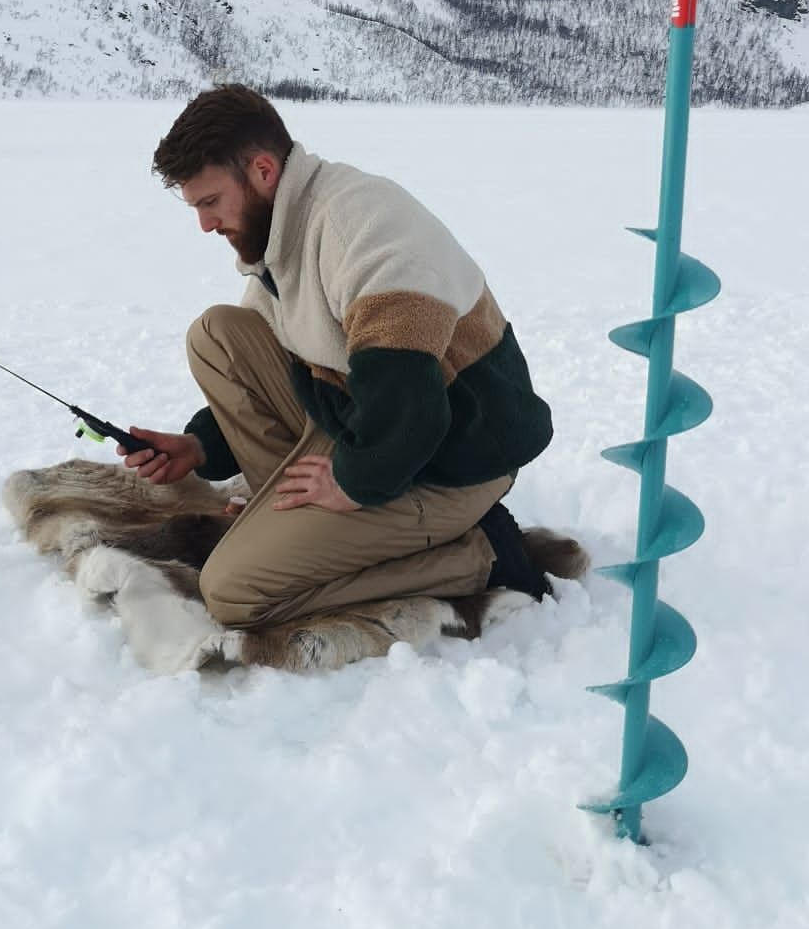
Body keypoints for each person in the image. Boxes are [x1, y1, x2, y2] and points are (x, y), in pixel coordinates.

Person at [118, 84, 554, 631]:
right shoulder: (283, 229)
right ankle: (293, 518)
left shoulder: (365, 229)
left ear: (262, 171)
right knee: (217, 334)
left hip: (449, 462)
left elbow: (412, 409)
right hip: (369, 419)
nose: (205, 225)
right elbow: (279, 354)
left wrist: (354, 482)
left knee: (233, 592)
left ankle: (477, 556)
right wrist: (200, 446)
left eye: (210, 202)